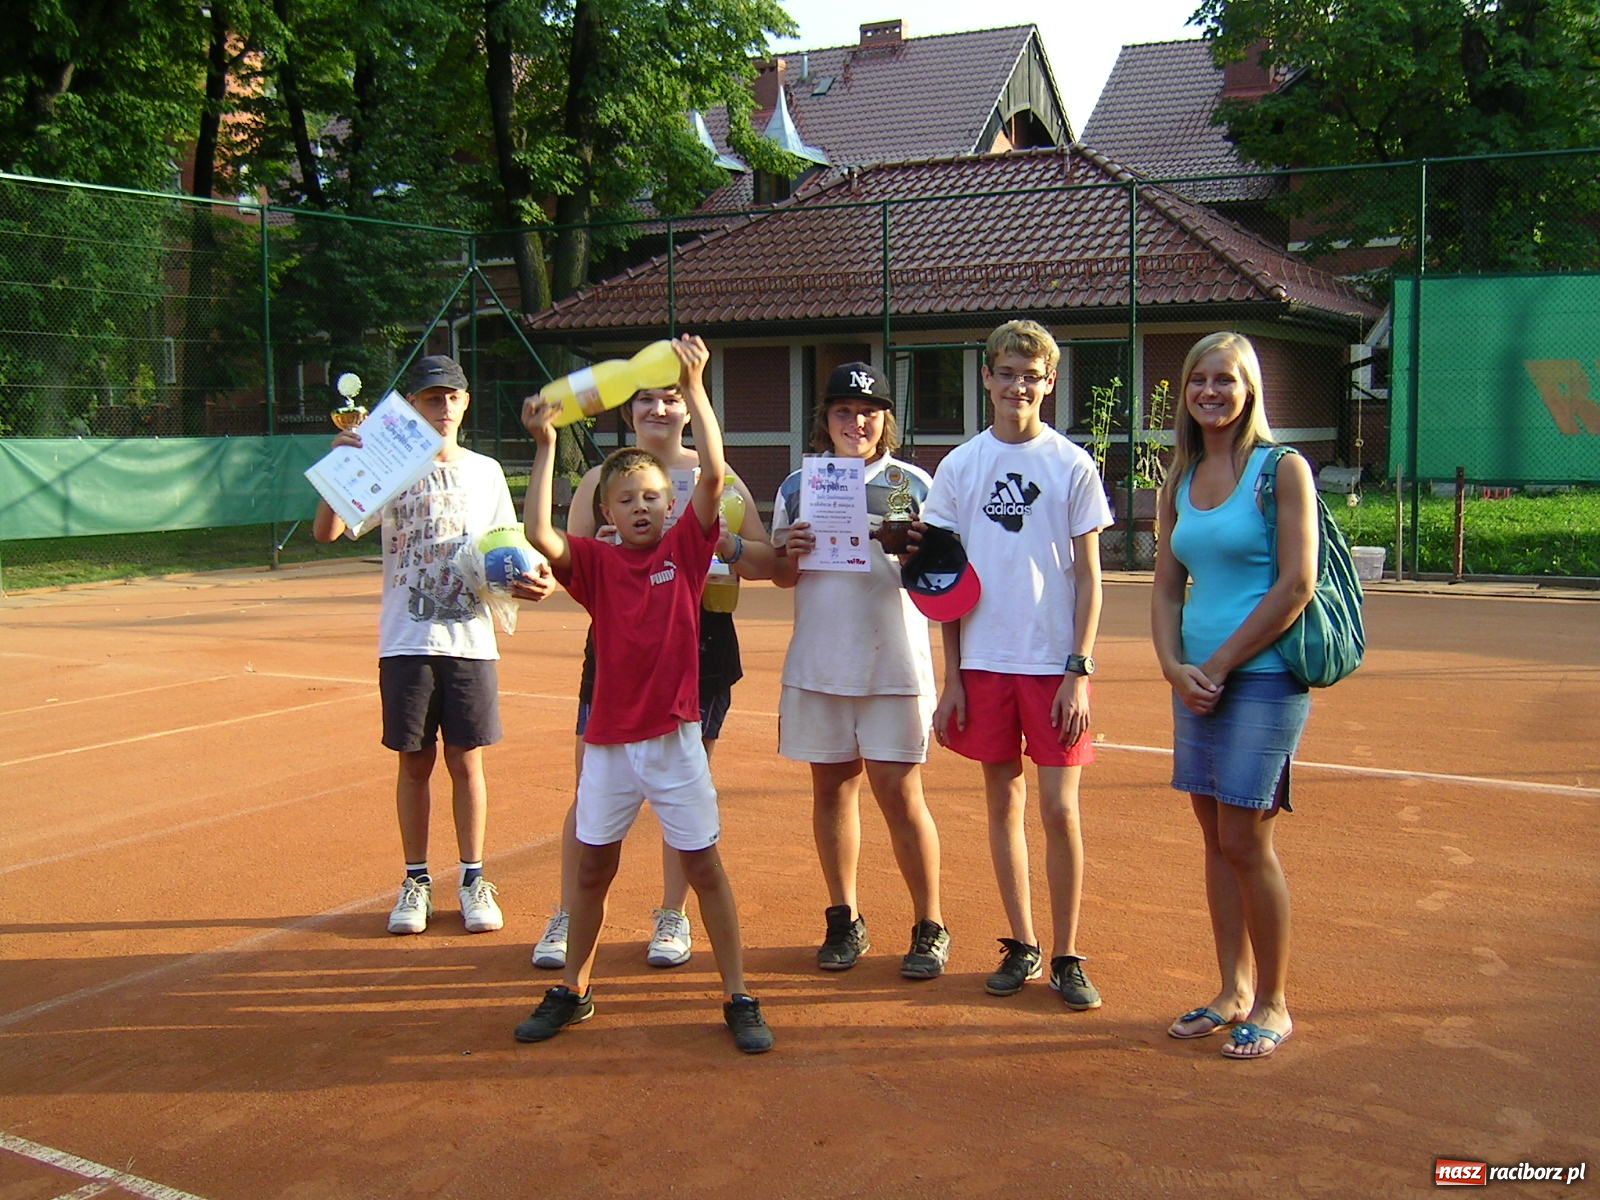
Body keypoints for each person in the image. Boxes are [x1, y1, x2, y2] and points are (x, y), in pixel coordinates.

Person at [513, 334, 774, 1054]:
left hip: (673, 742)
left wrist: (696, 387)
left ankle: (738, 994)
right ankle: (573, 988)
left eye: (651, 499)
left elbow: (715, 478)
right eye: (624, 499)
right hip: (609, 748)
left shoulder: (686, 553)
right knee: (593, 868)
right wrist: (544, 445)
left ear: (670, 508)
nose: (638, 508)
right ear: (607, 511)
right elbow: (540, 531)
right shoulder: (595, 564)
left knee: (703, 865)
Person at [312, 354, 555, 936]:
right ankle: (416, 880)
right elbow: (328, 531)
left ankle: (473, 878)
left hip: (470, 638)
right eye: (430, 399)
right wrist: (339, 468)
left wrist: (532, 577)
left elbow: (509, 546)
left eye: (452, 397)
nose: (443, 408)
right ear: (413, 407)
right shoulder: (387, 464)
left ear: (466, 402)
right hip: (406, 639)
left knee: (467, 761)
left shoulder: (486, 471)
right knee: (414, 761)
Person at [917, 319, 1112, 1009]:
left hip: (1053, 666)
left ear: (1049, 383)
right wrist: (953, 678)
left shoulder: (1071, 465)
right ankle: (1023, 943)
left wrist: (1078, 669)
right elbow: (942, 583)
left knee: (1060, 810)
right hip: (985, 663)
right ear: (987, 378)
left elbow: (1090, 578)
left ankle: (1066, 954)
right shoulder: (960, 468)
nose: (1017, 386)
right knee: (1002, 802)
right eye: (1006, 373)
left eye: (1031, 376)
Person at [1151, 331, 1316, 1060]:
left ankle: (1274, 1002)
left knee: (1247, 839)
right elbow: (1164, 586)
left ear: (1250, 390)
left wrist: (1215, 664)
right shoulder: (1178, 476)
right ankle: (1231, 990)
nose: (1211, 392)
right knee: (1214, 839)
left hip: (1263, 677)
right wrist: (1172, 666)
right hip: (1197, 684)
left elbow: (1296, 585)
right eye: (1198, 382)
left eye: (1225, 380)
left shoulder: (1282, 470)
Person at [765, 361, 948, 978]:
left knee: (900, 794)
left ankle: (929, 924)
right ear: (827, 420)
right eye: (844, 412)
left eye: (868, 412)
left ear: (884, 420)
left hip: (893, 662)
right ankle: (844, 918)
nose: (857, 422)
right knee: (832, 790)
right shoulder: (799, 486)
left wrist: (915, 550)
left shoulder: (913, 485)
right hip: (822, 661)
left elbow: (939, 581)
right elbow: (783, 576)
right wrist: (788, 554)